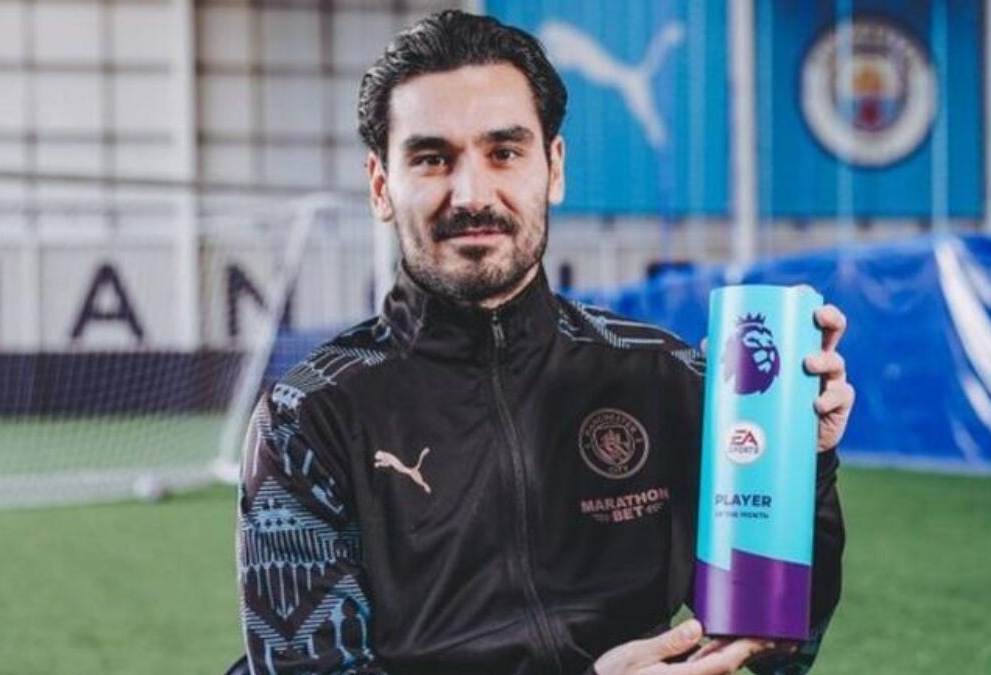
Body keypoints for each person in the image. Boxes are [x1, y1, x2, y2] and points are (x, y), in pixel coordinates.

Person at [236, 10, 852, 675]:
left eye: (504, 152)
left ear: (554, 168)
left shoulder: (663, 375)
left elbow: (780, 647)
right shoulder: (311, 416)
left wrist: (800, 467)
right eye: (432, 158)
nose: (472, 194)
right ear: (382, 186)